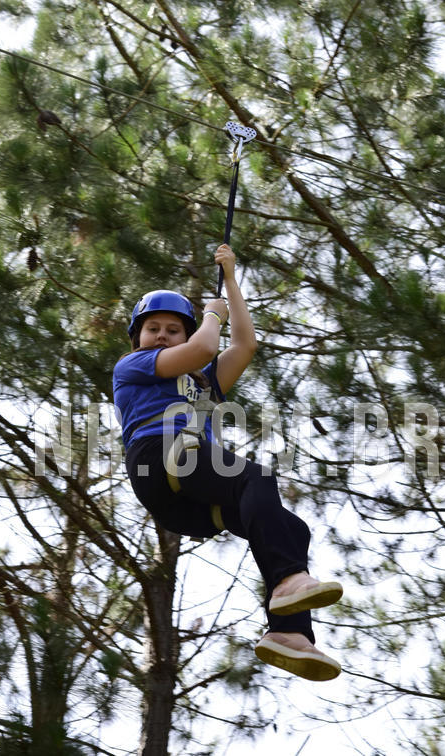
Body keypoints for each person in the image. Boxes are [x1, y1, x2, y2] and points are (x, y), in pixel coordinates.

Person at [113, 243, 342, 682]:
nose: (161, 336)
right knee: (254, 478)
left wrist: (231, 281)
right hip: (158, 458)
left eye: (173, 330)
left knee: (293, 529)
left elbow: (244, 345)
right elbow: (204, 347)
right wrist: (210, 316)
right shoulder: (135, 365)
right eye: (153, 328)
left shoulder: (202, 381)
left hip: (186, 501)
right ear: (138, 338)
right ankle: (287, 580)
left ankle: (288, 633)